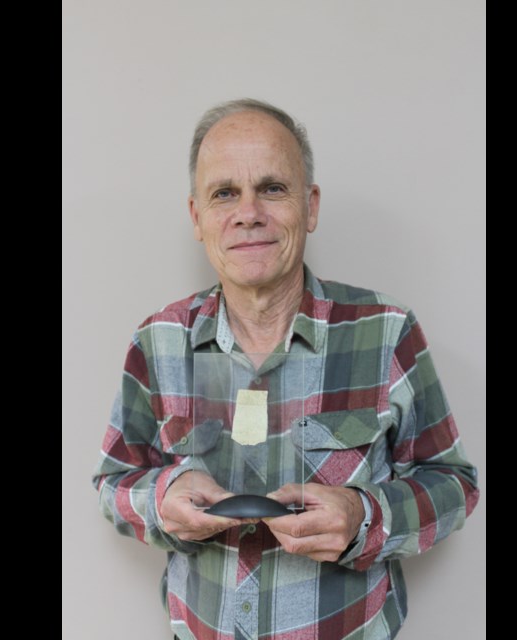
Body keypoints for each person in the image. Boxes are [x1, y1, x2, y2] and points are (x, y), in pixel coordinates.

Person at [92, 98, 479, 640]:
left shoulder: (386, 330)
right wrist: (160, 500)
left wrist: (365, 515)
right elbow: (114, 481)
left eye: (272, 188)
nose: (248, 212)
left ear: (311, 206)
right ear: (197, 217)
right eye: (224, 192)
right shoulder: (157, 341)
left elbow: (455, 484)